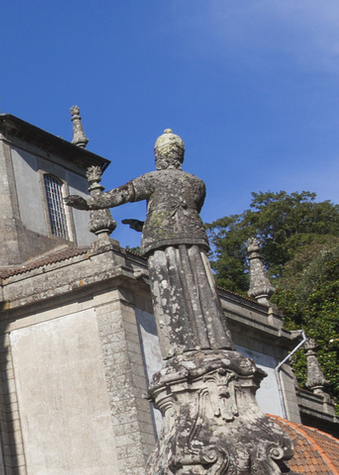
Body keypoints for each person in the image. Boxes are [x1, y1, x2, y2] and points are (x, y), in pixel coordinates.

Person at [65, 129, 229, 352]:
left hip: (161, 243)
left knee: (171, 291)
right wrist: (143, 226)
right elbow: (183, 212)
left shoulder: (154, 178)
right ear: (180, 156)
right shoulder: (197, 183)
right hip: (194, 240)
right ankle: (215, 342)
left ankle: (180, 347)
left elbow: (123, 194)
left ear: (159, 157)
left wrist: (88, 204)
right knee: (201, 291)